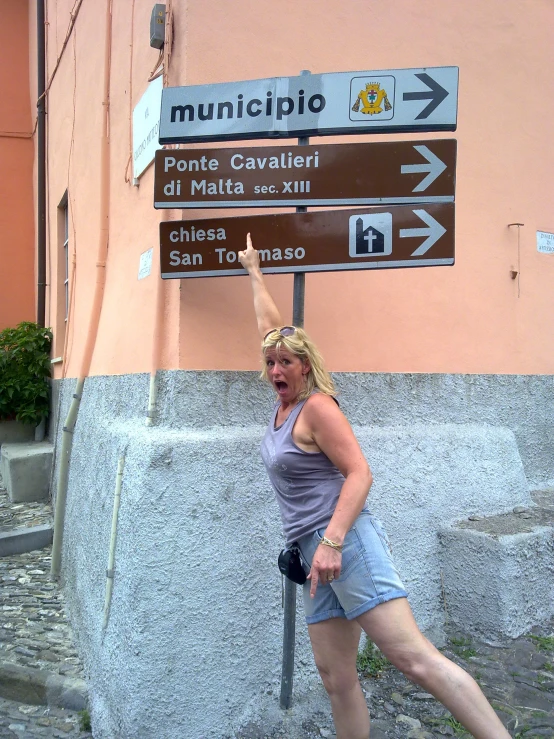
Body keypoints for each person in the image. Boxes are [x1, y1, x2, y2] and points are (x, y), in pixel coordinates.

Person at [238, 234, 511, 739]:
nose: (276, 368)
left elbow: (361, 473)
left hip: (343, 543)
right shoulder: (281, 403)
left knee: (414, 660)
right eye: (271, 362)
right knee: (336, 677)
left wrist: (332, 541)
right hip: (315, 554)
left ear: (306, 366)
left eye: (286, 362)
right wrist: (254, 270)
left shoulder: (316, 407)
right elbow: (269, 327)